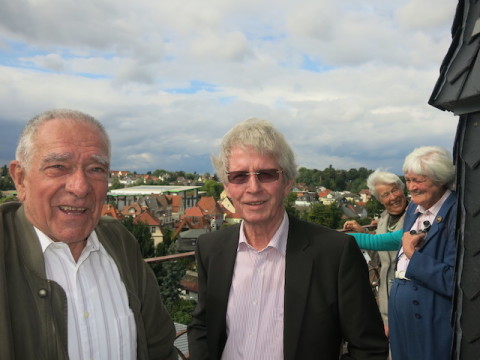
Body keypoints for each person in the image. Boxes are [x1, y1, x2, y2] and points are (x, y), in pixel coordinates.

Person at [187, 118, 388, 360]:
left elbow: (369, 348)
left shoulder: (334, 253)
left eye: (267, 174)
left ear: (287, 183)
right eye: (239, 176)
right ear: (227, 187)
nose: (253, 187)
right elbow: (203, 323)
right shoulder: (211, 249)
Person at [0, 109, 177, 359]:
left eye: (95, 169)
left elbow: (160, 347)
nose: (80, 187)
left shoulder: (120, 242)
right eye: (58, 166)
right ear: (20, 179)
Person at [349, 146, 456, 360]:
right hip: (401, 318)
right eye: (408, 180)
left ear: (440, 178)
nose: (412, 188)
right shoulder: (413, 212)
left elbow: (456, 281)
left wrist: (412, 255)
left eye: (418, 180)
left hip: (431, 323)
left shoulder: (456, 214)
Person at [343, 170, 408, 343]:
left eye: (395, 190)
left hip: (408, 301)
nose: (393, 197)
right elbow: (380, 256)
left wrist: (339, 239)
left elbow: (385, 242)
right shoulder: (384, 220)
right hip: (386, 301)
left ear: (403, 189)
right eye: (385, 194)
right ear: (380, 200)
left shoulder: (415, 217)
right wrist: (364, 232)